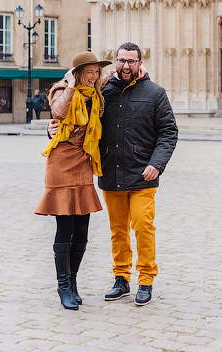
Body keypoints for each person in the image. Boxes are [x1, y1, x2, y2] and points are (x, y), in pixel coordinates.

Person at [48, 42, 178, 307]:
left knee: (143, 226)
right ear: (116, 62)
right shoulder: (103, 92)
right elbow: (73, 122)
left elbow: (168, 132)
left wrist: (157, 163)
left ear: (140, 63)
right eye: (121, 60)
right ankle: (121, 278)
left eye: (131, 61)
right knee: (117, 230)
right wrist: (50, 130)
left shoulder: (155, 93)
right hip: (111, 173)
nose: (125, 66)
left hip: (144, 174)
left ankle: (145, 280)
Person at [35, 51, 111, 310]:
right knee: (65, 228)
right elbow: (57, 111)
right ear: (77, 73)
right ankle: (63, 286)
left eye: (96, 72)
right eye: (88, 72)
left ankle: (73, 281)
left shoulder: (96, 95)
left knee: (82, 231)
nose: (93, 76)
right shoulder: (62, 90)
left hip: (84, 163)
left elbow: (115, 77)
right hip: (62, 163)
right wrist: (69, 84)